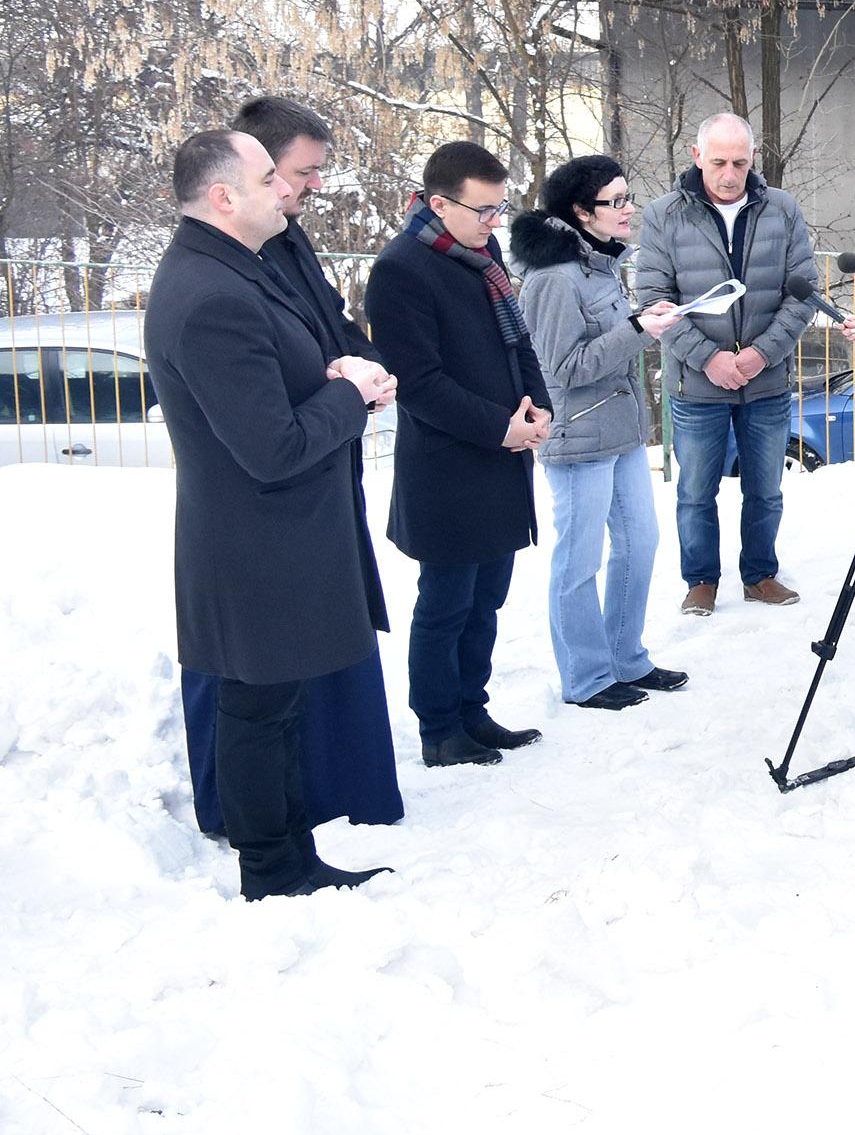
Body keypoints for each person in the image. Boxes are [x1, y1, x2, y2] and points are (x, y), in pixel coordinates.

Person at [146, 130, 399, 898]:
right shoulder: (213, 295)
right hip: (257, 544)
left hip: (268, 537)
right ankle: (272, 866)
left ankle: (289, 853)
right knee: (258, 708)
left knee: (274, 705)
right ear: (225, 198)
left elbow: (265, 394)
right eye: (268, 178)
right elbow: (273, 447)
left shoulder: (227, 271)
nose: (285, 190)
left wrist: (329, 373)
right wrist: (348, 392)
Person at [368, 141, 557, 767]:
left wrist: (539, 403)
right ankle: (440, 727)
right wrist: (500, 428)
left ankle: (473, 711)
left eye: (499, 209)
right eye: (483, 210)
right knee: (446, 604)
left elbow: (517, 342)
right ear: (439, 203)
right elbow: (418, 385)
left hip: (502, 458)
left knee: (488, 600)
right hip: (448, 467)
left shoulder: (483, 253)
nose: (494, 223)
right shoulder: (401, 269)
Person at [513, 158, 689, 712]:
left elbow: (606, 338)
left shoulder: (599, 266)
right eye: (615, 201)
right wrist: (639, 330)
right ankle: (586, 676)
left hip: (622, 430)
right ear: (580, 211)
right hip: (577, 438)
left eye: (627, 197)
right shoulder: (552, 278)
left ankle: (625, 657)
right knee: (580, 558)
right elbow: (560, 369)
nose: (628, 208)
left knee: (641, 542)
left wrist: (643, 318)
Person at [634, 112, 825, 615]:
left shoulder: (781, 209)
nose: (729, 174)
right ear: (696, 157)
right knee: (696, 491)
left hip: (765, 381)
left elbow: (802, 293)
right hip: (697, 385)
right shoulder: (663, 216)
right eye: (718, 161)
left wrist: (763, 353)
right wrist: (710, 358)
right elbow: (655, 301)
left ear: (753, 159)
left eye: (740, 162)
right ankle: (701, 580)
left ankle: (760, 574)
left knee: (766, 489)